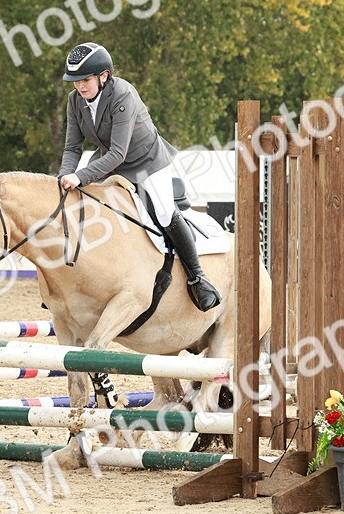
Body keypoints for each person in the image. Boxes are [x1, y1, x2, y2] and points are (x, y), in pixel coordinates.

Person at [56, 42, 221, 312]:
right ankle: (74, 278)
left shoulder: (123, 95)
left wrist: (81, 176)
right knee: (78, 202)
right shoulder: (75, 101)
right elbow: (72, 147)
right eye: (75, 81)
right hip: (110, 158)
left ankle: (198, 277)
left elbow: (119, 153)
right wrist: (65, 176)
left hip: (147, 162)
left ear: (104, 76)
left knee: (166, 214)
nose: (80, 87)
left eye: (85, 79)